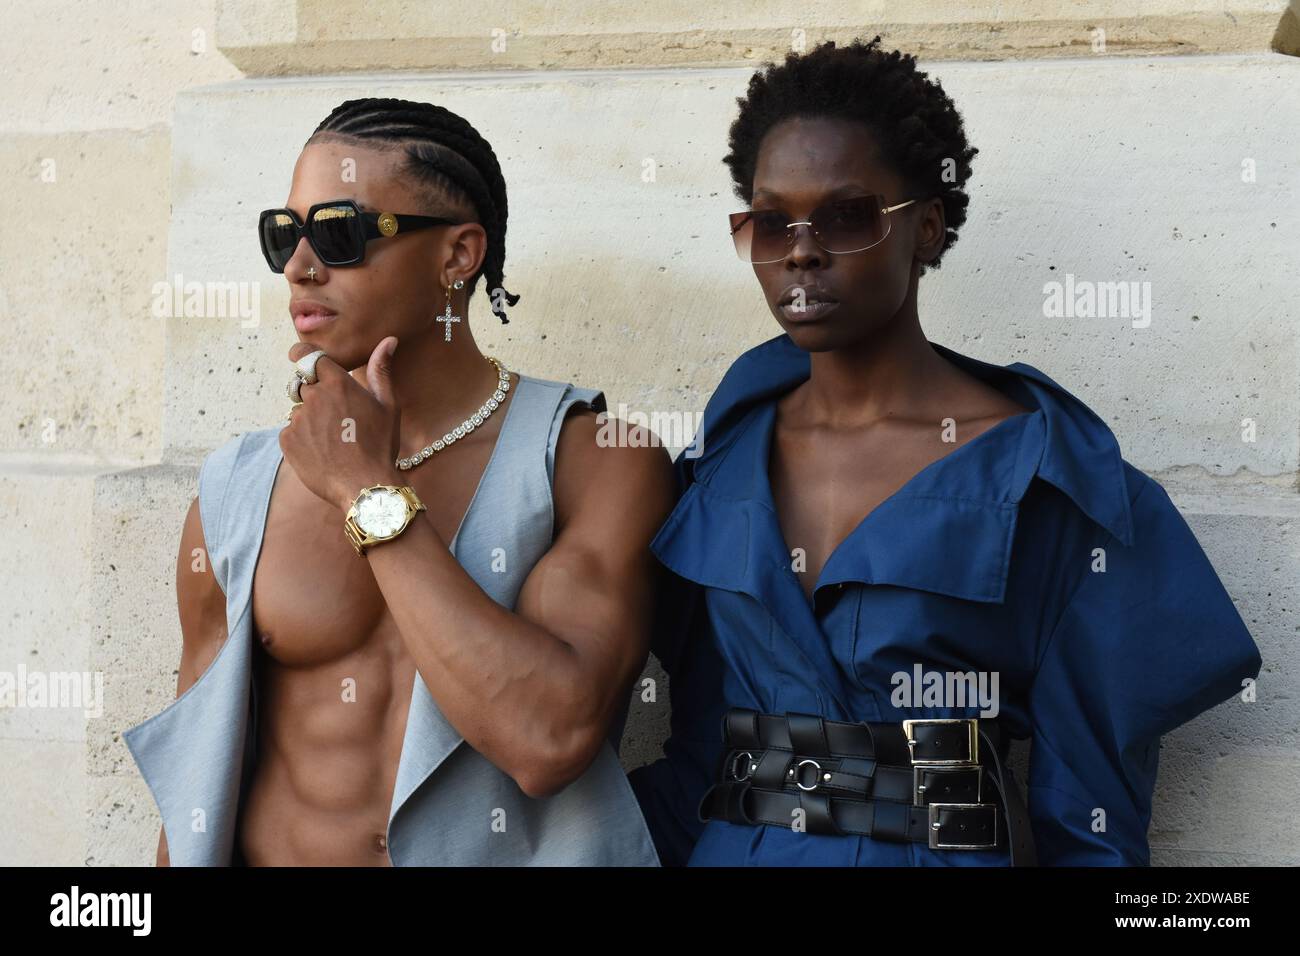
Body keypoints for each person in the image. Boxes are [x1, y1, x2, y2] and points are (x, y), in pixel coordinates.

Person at [627, 37, 1262, 866]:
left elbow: (1091, 815)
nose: (801, 249)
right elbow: (697, 744)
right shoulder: (723, 461)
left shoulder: (1045, 475)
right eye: (770, 220)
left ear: (926, 226)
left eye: (847, 215)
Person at [124, 97, 670, 866]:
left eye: (341, 233)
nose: (300, 266)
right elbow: (195, 798)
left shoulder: (592, 460)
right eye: (285, 234)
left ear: (458, 255)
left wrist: (363, 490)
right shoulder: (236, 490)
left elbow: (548, 738)